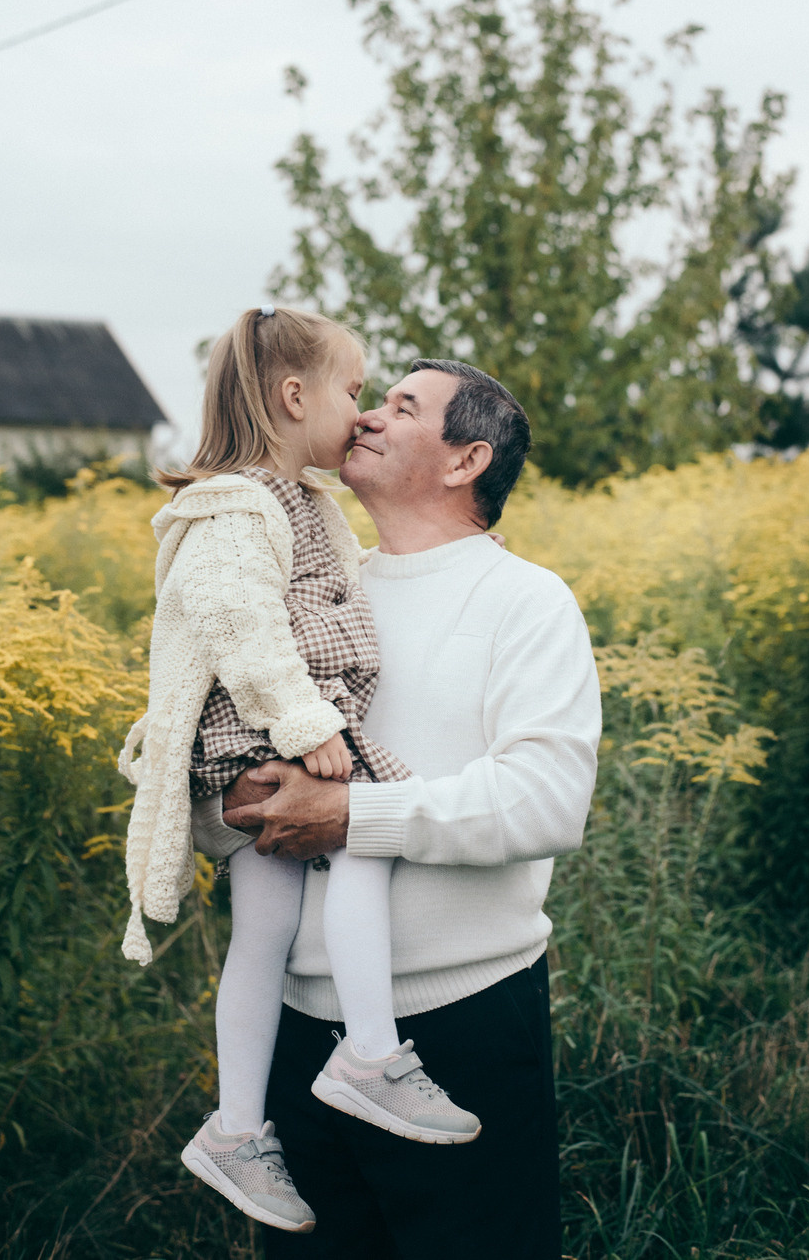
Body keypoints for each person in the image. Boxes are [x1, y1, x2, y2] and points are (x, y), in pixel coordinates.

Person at [220, 357, 602, 1260]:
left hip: (462, 1026)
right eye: (374, 397)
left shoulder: (524, 600)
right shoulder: (307, 590)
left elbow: (547, 801)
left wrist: (350, 816)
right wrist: (232, 801)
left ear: (467, 460)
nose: (368, 416)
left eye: (403, 406)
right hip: (296, 1033)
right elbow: (221, 771)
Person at [118, 307, 480, 1238]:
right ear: (291, 398)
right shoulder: (241, 503)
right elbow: (240, 624)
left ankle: (237, 1128)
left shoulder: (305, 501)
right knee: (361, 845)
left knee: (266, 932)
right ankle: (366, 1056)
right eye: (352, 392)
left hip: (283, 729)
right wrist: (307, 724)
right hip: (270, 733)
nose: (358, 414)